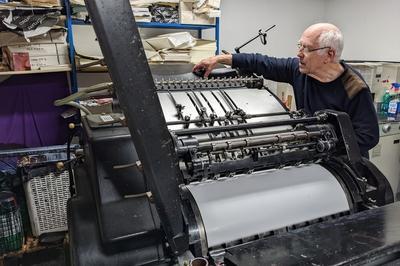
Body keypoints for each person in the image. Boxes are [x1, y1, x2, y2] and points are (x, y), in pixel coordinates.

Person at [193, 23, 379, 158]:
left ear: (329, 55)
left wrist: (323, 144)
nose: (299, 53)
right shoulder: (299, 70)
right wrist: (220, 59)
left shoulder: (354, 87)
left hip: (346, 162)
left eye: (307, 48)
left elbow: (368, 137)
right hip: (315, 153)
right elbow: (262, 62)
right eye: (300, 45)